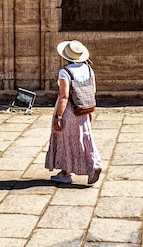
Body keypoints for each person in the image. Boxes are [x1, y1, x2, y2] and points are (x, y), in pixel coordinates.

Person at [46, 40, 103, 185]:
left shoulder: (65, 72)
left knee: (66, 141)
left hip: (69, 111)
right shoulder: (89, 69)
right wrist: (88, 109)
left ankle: (69, 172)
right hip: (83, 109)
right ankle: (89, 166)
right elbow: (93, 91)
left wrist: (58, 116)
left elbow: (64, 96)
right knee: (85, 138)